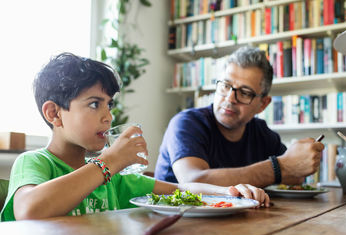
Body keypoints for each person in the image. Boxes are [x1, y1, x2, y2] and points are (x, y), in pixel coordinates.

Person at [0, 53, 269, 222]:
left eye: (110, 105)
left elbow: (181, 190)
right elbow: (30, 210)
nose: (108, 117)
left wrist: (231, 192)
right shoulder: (35, 162)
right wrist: (108, 162)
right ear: (54, 113)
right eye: (95, 104)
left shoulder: (113, 179)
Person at [155, 46, 324, 187]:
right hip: (174, 222)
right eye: (226, 86)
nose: (230, 98)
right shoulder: (186, 123)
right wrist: (281, 168)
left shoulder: (261, 133)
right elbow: (193, 182)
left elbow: (294, 176)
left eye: (245, 92)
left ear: (263, 104)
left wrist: (302, 161)